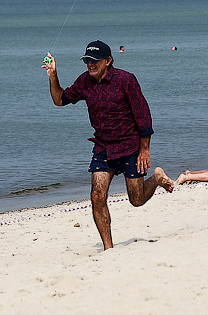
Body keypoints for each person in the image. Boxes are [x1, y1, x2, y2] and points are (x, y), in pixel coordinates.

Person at [43, 40, 174, 250]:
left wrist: (144, 149)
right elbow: (59, 100)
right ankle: (108, 248)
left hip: (130, 146)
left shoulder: (125, 80)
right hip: (103, 147)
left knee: (136, 200)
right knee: (97, 195)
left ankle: (157, 178)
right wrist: (53, 76)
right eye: (87, 60)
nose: (90, 64)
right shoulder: (84, 82)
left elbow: (143, 115)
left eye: (94, 60)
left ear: (108, 61)